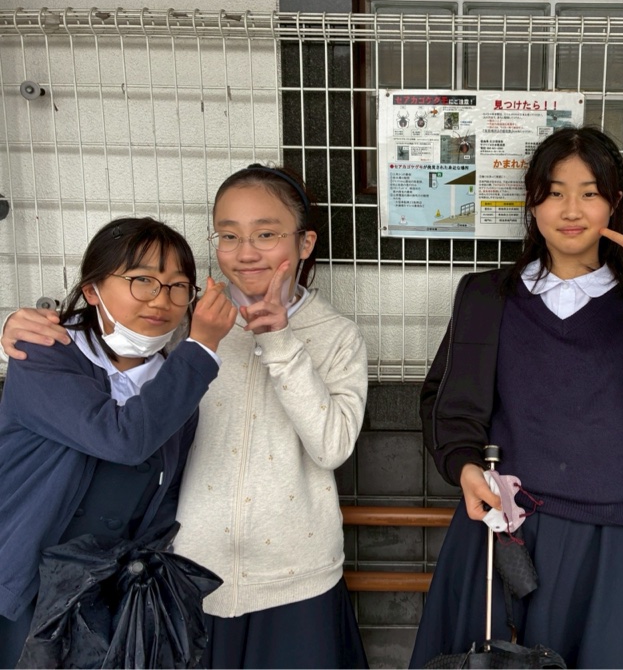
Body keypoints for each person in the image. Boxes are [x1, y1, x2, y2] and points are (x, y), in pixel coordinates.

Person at [1, 165, 370, 669]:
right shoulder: (185, 323)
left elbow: (332, 447)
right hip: (186, 571)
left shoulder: (335, 336)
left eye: (265, 234)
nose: (245, 252)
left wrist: (280, 342)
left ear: (304, 243)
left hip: (296, 571)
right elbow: (108, 358)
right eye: (229, 235)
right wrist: (17, 324)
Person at [409, 126, 623, 669]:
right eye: (555, 192)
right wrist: (463, 466)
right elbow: (446, 403)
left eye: (590, 193)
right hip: (501, 534)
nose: (571, 209)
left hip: (607, 543)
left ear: (615, 203)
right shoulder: (488, 296)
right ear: (532, 203)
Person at [0, 217, 236, 667]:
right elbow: (121, 439)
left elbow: (164, 500)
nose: (161, 300)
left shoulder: (174, 385)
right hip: (29, 587)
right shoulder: (43, 353)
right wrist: (202, 346)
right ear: (92, 290)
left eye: (178, 286)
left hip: (109, 599)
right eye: (142, 280)